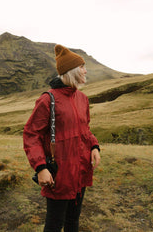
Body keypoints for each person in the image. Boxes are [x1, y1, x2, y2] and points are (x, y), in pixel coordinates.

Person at [23, 44, 101, 232]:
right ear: (72, 71)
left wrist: (94, 146)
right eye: (82, 67)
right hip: (60, 175)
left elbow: (85, 130)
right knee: (54, 225)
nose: (85, 70)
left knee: (73, 221)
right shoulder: (47, 99)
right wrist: (41, 167)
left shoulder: (82, 99)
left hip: (81, 170)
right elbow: (31, 135)